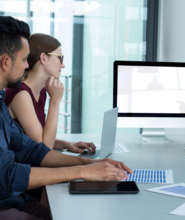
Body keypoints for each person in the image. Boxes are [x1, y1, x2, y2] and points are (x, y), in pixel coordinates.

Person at [0, 16, 133, 219]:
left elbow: (32, 150)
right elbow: (7, 175)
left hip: (15, 198)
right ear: (5, 62)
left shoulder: (1, 102)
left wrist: (86, 164)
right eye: (25, 59)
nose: (28, 65)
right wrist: (81, 172)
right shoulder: (19, 95)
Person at [5, 33, 95, 154]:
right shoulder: (21, 94)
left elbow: (38, 137)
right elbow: (43, 149)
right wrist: (55, 101)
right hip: (19, 169)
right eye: (60, 58)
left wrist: (67, 144)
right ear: (43, 58)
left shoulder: (41, 91)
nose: (62, 65)